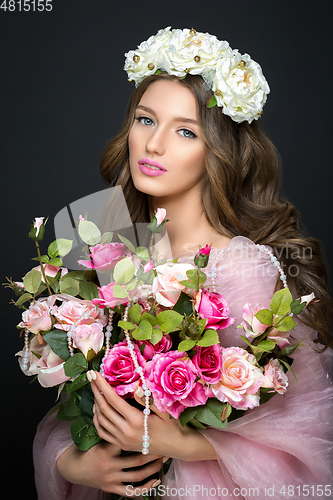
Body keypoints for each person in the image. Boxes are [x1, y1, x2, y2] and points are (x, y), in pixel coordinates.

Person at [34, 28, 333, 499]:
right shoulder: (117, 254)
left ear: (219, 151)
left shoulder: (238, 267)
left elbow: (304, 430)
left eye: (186, 131)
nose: (154, 146)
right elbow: (77, 405)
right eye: (145, 120)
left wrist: (181, 443)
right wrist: (74, 462)